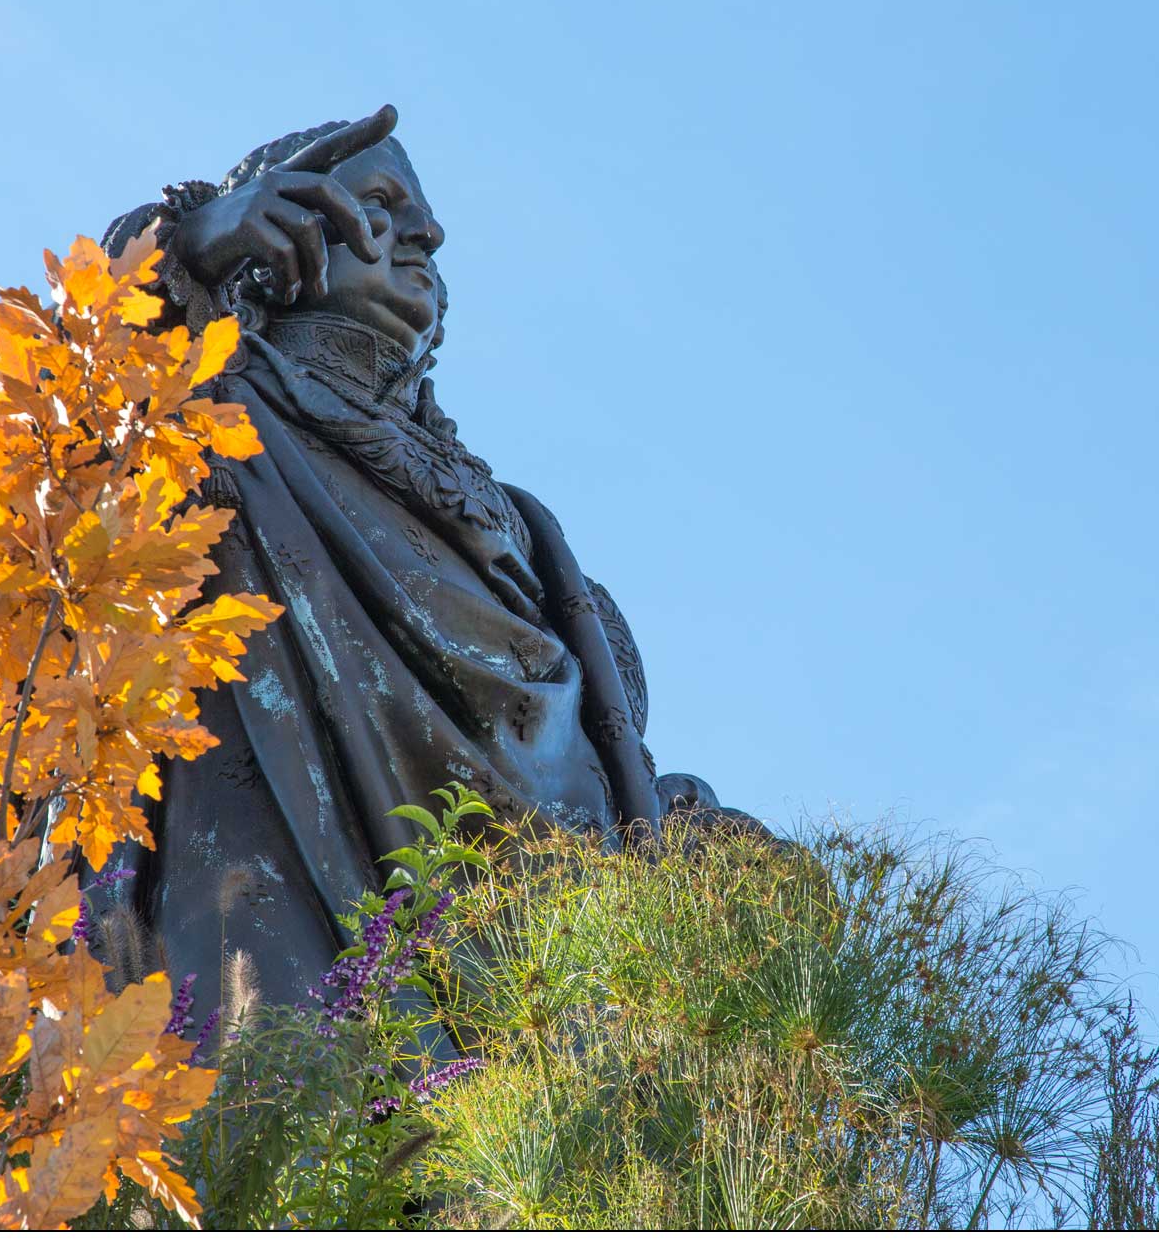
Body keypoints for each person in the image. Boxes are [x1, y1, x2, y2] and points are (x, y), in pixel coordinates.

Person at [87, 106, 751, 1009]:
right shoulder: (205, 424)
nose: (428, 233)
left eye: (425, 216)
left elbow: (603, 798)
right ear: (281, 229)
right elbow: (42, 458)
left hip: (525, 1020)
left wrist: (705, 853)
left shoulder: (525, 530)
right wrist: (184, 244)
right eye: (382, 202)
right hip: (273, 950)